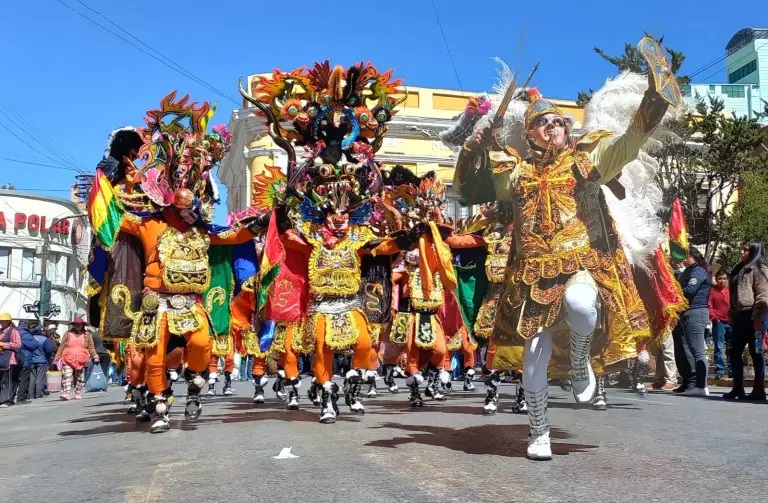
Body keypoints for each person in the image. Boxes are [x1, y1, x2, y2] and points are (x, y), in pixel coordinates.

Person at [451, 36, 679, 460]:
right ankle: (539, 432)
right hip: (533, 273)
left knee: (580, 303)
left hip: (581, 262)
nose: (554, 127)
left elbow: (633, 136)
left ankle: (579, 361)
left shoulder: (587, 159)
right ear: (530, 133)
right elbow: (467, 188)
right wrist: (474, 149)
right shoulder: (514, 172)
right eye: (544, 123)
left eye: (559, 122)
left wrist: (656, 91)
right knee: (533, 358)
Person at [724, 240, 768, 400]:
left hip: (755, 317)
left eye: (746, 250)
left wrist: (758, 318)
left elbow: (763, 296)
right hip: (740, 317)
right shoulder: (739, 269)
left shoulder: (760, 269)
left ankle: (758, 389)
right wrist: (732, 313)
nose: (741, 252)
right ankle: (737, 388)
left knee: (756, 352)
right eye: (741, 249)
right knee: (734, 352)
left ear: (754, 251)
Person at [672, 247, 712, 396]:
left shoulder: (699, 271)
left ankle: (701, 385)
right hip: (687, 312)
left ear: (694, 257)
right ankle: (693, 383)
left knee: (698, 351)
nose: (684, 259)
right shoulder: (689, 271)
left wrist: (674, 292)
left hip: (696, 311)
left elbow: (689, 290)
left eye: (686, 256)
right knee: (687, 348)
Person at [53, 318, 99, 400]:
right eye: (76, 324)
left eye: (79, 324)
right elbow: (61, 346)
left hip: (82, 358)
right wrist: (57, 357)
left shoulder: (87, 335)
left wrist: (95, 356)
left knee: (79, 377)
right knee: (67, 375)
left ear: (82, 325)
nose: (78, 326)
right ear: (73, 325)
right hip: (68, 358)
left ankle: (77, 392)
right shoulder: (67, 334)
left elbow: (91, 347)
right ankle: (66, 393)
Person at [708, 269, 732, 379]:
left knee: (732, 347)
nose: (721, 281)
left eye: (724, 278)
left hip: (731, 322)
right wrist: (715, 318)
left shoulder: (731, 292)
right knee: (718, 346)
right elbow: (709, 306)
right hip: (719, 323)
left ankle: (732, 369)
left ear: (727, 280)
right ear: (716, 280)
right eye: (719, 279)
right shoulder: (712, 292)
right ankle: (720, 370)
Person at [0, 313, 22, 407]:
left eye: (4, 320)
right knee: (1, 381)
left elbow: (18, 345)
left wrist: (3, 345)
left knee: (7, 380)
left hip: (9, 359)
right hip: (1, 358)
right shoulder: (1, 331)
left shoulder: (13, 331)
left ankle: (7, 400)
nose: (2, 322)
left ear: (8, 321)